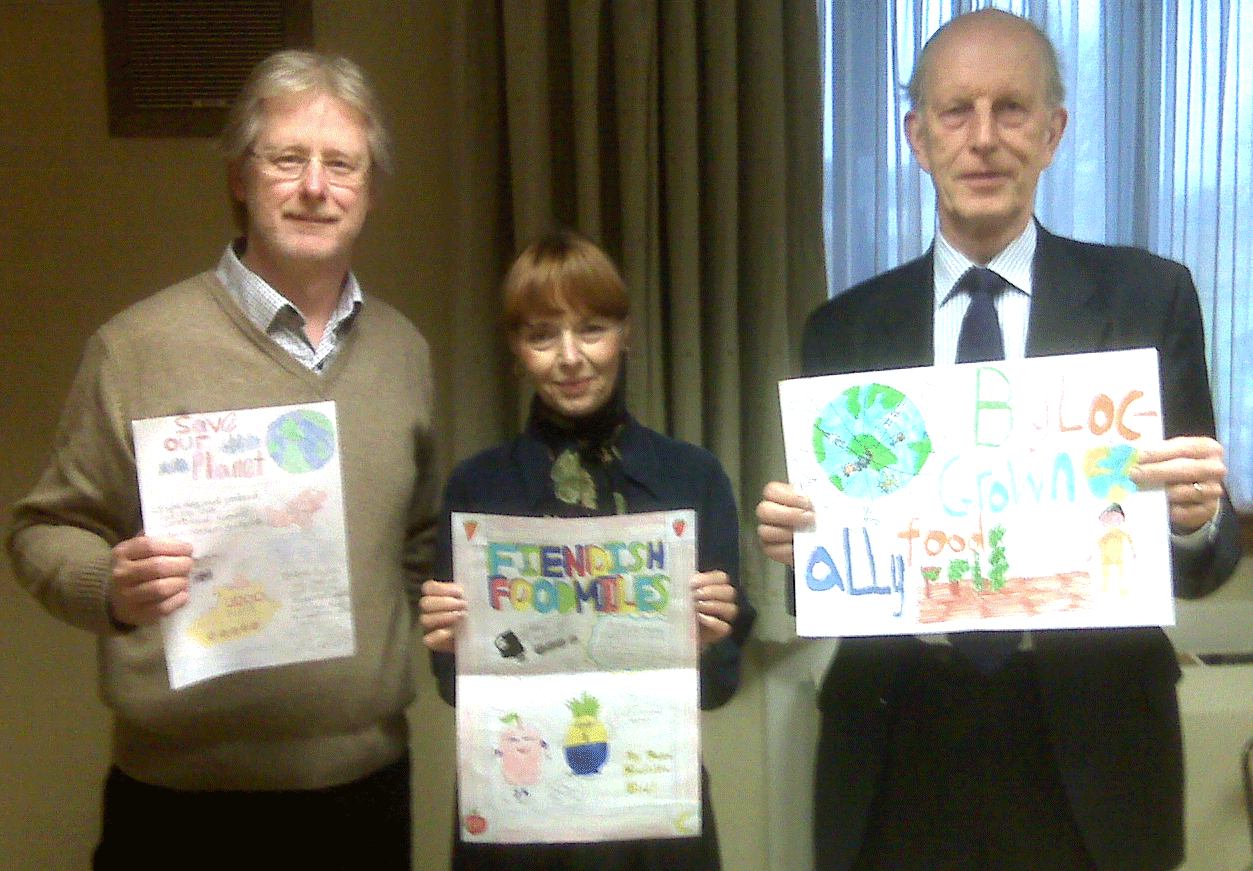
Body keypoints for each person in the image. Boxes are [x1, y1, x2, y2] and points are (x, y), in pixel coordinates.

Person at [756, 10, 1241, 871]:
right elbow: (832, 586)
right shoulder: (841, 328)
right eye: (955, 111)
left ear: (1052, 132)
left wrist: (1191, 519)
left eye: (1010, 109)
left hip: (1089, 745)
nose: (982, 138)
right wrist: (801, 548)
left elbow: (1203, 562)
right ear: (916, 135)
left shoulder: (1147, 297)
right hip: (898, 738)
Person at [6, 50, 437, 870]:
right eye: (287, 158)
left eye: (341, 163)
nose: (315, 186)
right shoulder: (135, 347)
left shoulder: (405, 352)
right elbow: (43, 529)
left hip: (366, 793)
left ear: (369, 189)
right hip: (179, 808)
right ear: (241, 176)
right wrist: (111, 586)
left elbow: (416, 545)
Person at [419, 229, 754, 871]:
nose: (570, 357)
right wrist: (447, 643)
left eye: (592, 329)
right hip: (517, 822)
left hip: (654, 821)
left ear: (625, 334)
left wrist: (713, 637)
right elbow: (456, 693)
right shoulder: (477, 488)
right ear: (517, 350)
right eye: (542, 335)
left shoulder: (693, 479)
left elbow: (718, 690)